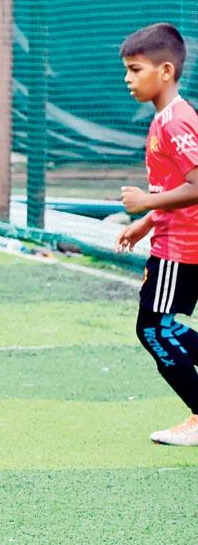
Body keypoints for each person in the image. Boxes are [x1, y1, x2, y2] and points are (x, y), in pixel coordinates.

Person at [116, 23, 198, 446]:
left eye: (135, 69)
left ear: (165, 71)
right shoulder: (168, 119)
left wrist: (146, 204)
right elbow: (175, 188)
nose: (128, 79)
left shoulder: (175, 122)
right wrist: (145, 223)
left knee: (152, 329)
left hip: (181, 250)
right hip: (175, 241)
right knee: (162, 326)